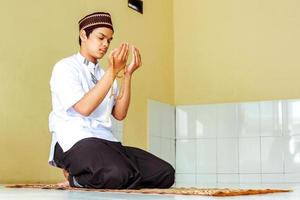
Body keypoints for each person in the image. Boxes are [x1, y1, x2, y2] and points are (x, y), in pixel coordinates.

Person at [48, 12, 175, 189]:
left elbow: (120, 114)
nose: (105, 44)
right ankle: (76, 179)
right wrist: (112, 71)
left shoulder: (106, 74)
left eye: (109, 40)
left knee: (165, 173)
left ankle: (106, 175)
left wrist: (127, 75)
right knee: (119, 174)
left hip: (106, 142)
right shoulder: (65, 67)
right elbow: (84, 108)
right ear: (83, 35)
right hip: (74, 141)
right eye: (101, 38)